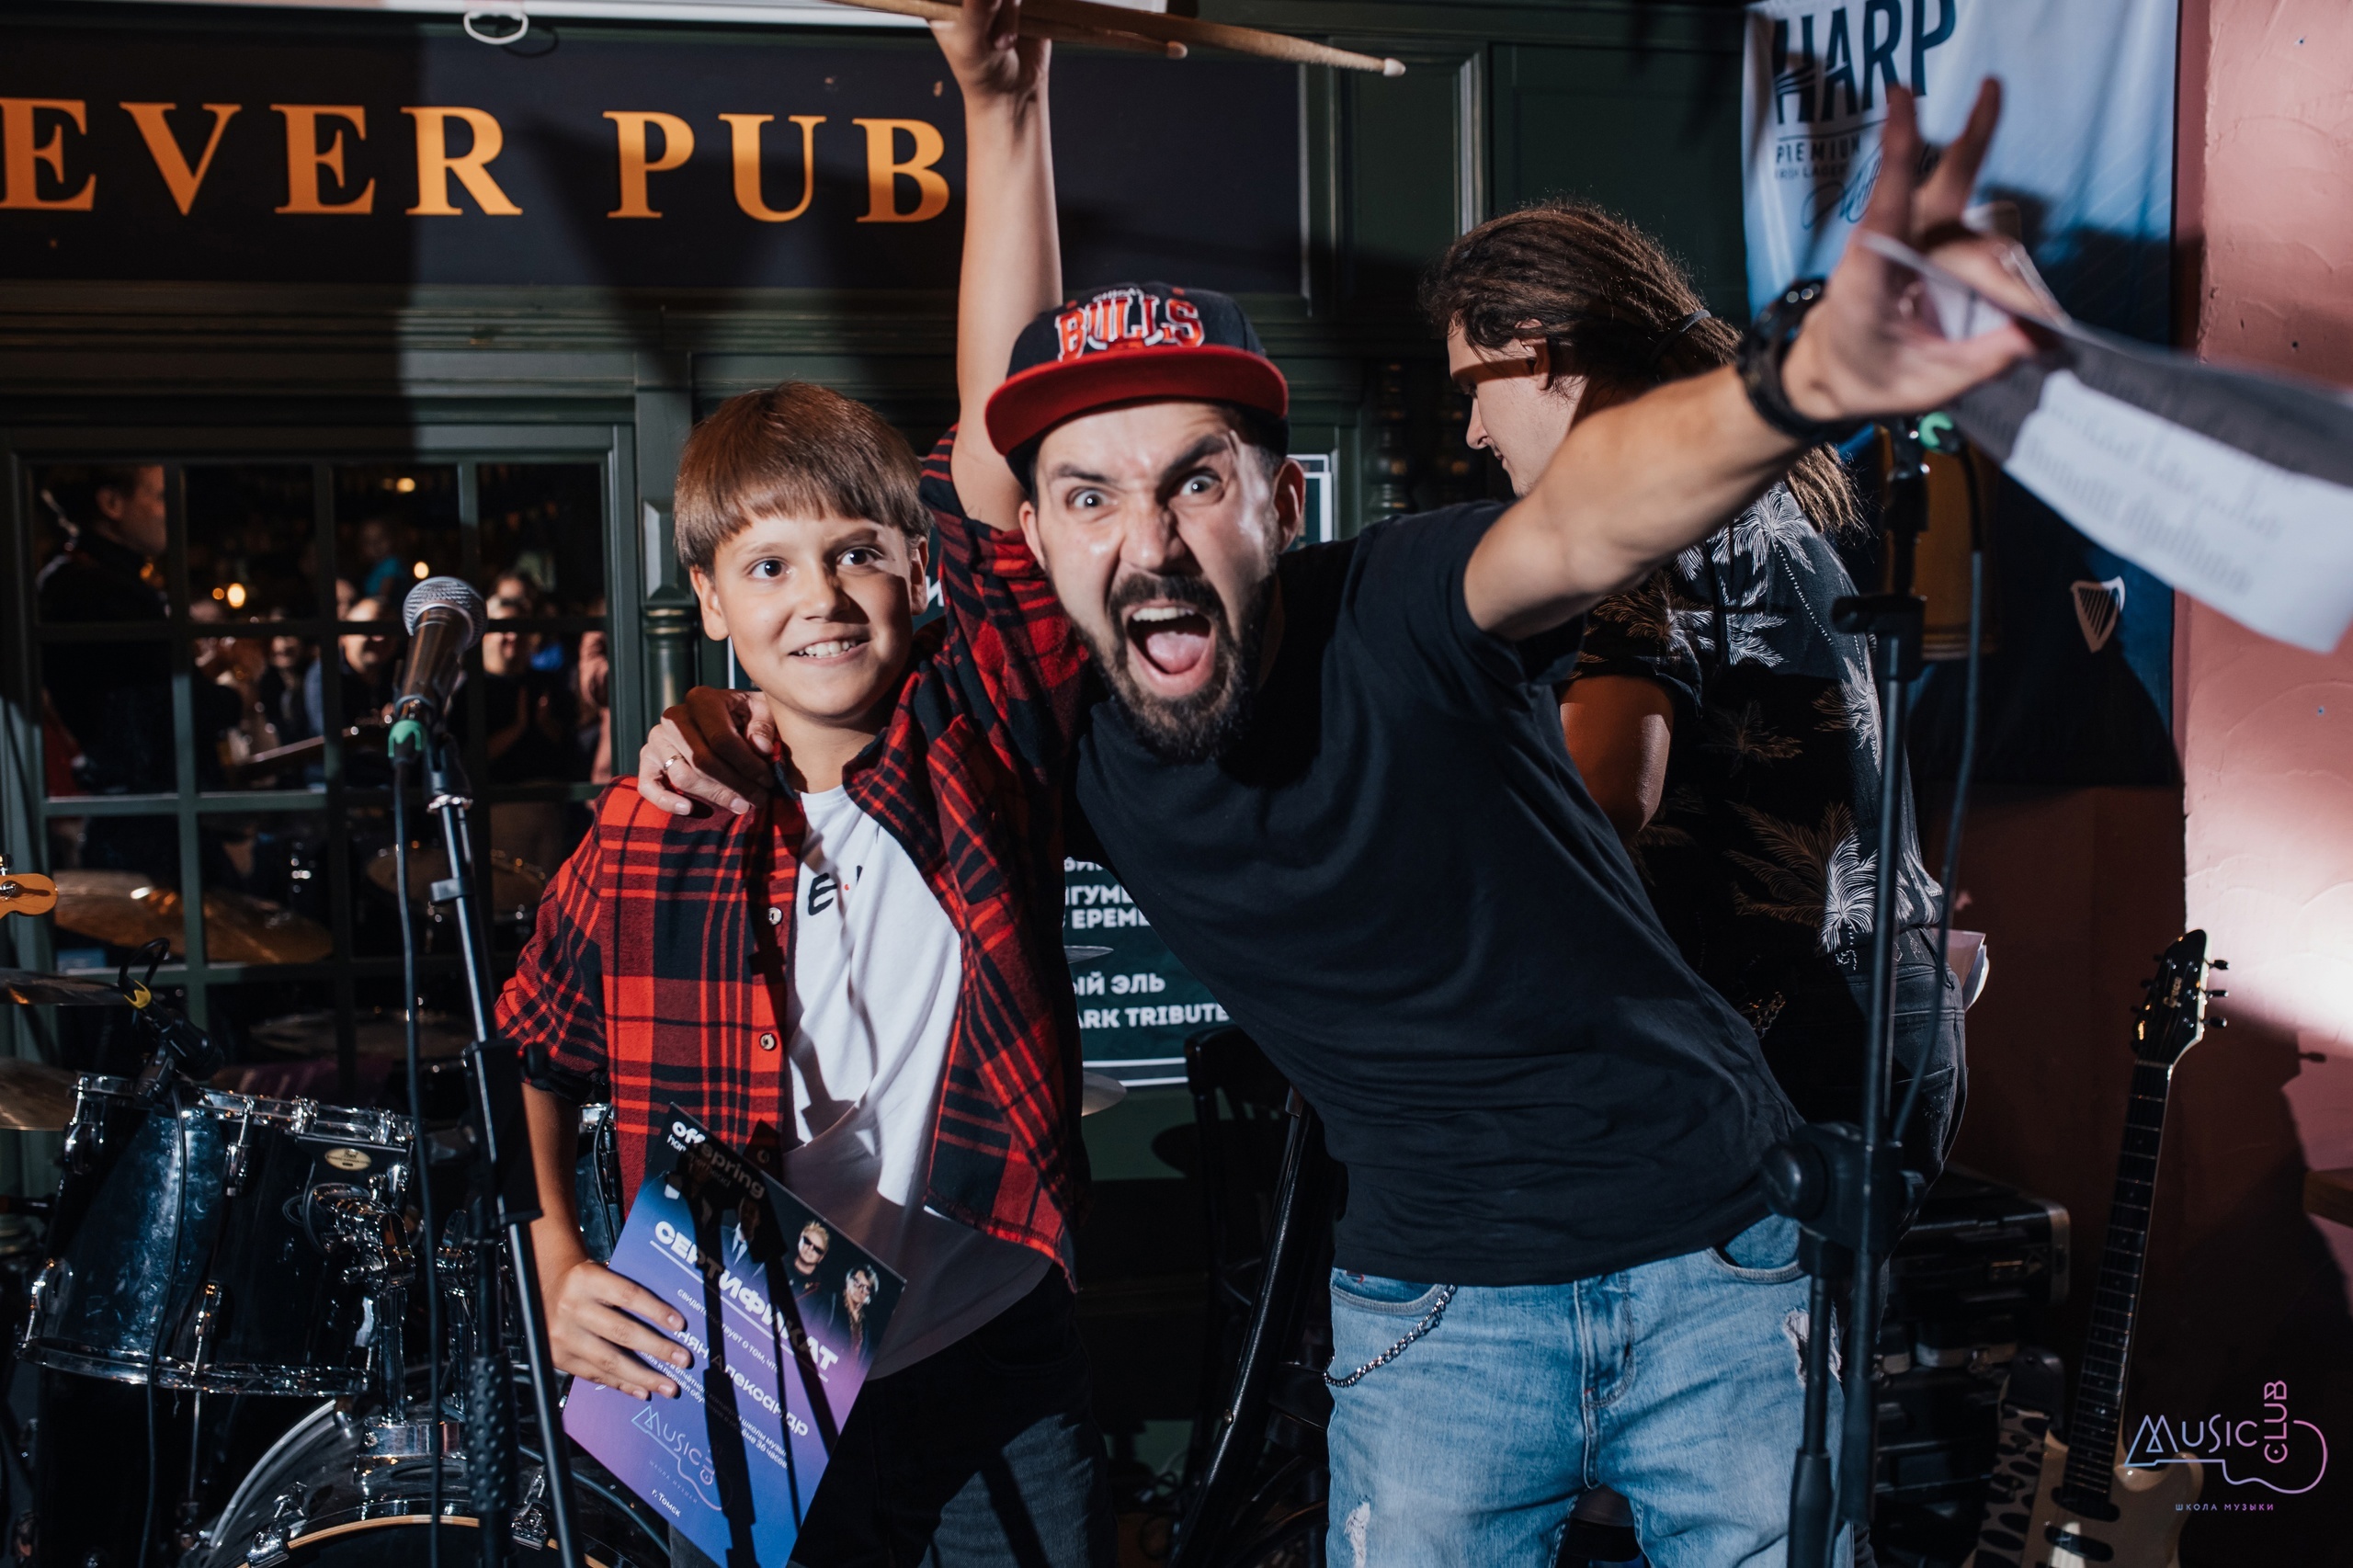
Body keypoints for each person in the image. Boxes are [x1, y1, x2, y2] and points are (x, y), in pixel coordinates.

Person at [642, 6, 2043, 1559]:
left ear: (1279, 500)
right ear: (1034, 545)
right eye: (1090, 497)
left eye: (1197, 480)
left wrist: (1800, 379)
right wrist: (725, 717)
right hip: (1438, 1321)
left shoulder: (1397, 604)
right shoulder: (1059, 738)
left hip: (1719, 1251)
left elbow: (1585, 514)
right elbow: (930, 532)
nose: (1150, 541)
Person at [503, 369, 1114, 1566]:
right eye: (768, 566)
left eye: (856, 553)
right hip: (743, 1359)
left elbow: (999, 483)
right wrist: (554, 1258)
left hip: (989, 1338)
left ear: (917, 569)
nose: (819, 598)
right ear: (708, 598)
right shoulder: (648, 824)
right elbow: (533, 1051)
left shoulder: (977, 744)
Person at [1421, 205, 1966, 1194]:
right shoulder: (1746, 484)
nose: (1474, 430)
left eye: (1474, 387)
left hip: (1780, 1040)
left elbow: (1602, 794)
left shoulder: (1632, 503)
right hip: (1883, 1014)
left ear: (1539, 352)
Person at [37, 462, 178, 882]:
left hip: (136, 808)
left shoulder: (85, 578)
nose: (170, 510)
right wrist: (230, 699)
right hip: (145, 813)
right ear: (112, 503)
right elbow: (159, 703)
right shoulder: (102, 589)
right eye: (159, 496)